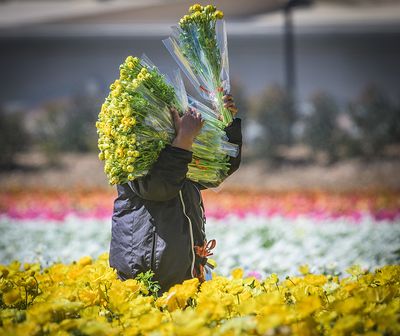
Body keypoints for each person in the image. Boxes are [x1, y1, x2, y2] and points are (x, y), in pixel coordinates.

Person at [109, 94, 242, 292]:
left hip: (185, 268)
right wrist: (184, 140)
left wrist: (225, 126)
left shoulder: (181, 151)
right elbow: (159, 188)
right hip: (146, 274)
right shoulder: (132, 154)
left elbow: (218, 169)